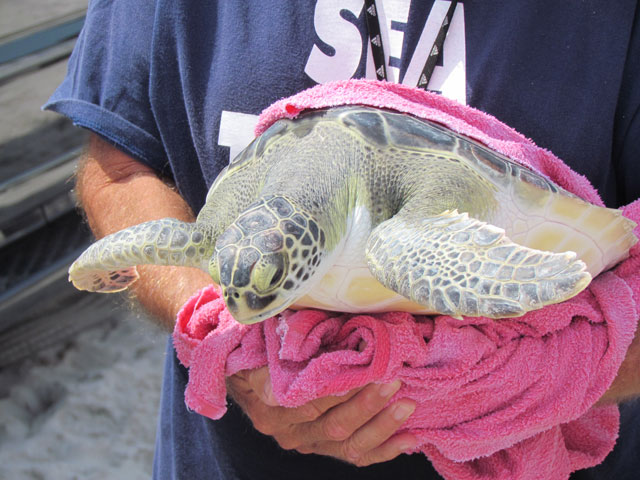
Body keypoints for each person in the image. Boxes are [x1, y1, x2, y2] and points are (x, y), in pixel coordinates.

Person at [45, 1, 640, 478]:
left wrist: (516, 379)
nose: (247, 308)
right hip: (230, 463)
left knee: (404, 255)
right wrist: (219, 333)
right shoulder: (231, 223)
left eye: (269, 282)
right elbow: (122, 164)